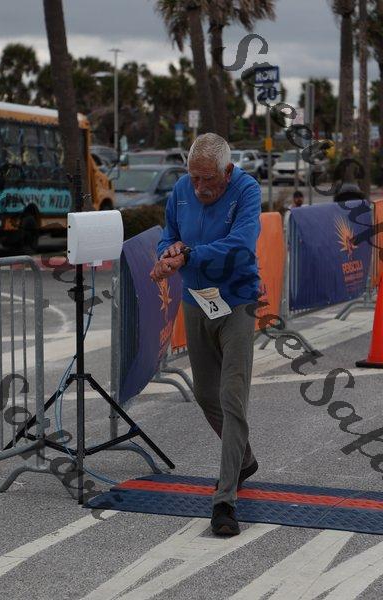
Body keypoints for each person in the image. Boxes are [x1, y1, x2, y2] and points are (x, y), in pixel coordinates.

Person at [150, 133, 261, 536]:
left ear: (227, 171)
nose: (199, 187)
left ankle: (225, 500)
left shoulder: (246, 189)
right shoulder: (181, 190)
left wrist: (190, 255)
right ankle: (244, 459)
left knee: (232, 398)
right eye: (193, 177)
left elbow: (241, 244)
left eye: (208, 179)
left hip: (238, 303)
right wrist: (167, 253)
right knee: (205, 394)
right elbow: (168, 235)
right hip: (197, 302)